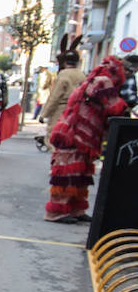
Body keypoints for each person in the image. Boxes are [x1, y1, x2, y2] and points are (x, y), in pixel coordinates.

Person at [46, 56, 129, 223]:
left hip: (78, 134)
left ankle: (76, 209)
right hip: (75, 135)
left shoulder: (97, 80)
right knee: (68, 174)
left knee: (80, 174)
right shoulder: (103, 81)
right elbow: (113, 106)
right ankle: (57, 211)